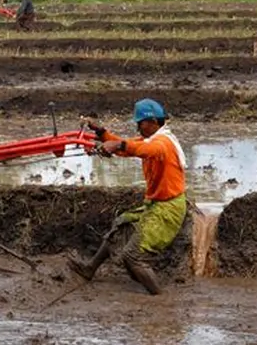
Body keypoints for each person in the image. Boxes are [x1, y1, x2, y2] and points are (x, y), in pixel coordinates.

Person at [69, 98, 189, 294]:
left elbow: (143, 149)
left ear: (151, 122)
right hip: (154, 204)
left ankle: (160, 299)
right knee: (121, 224)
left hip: (169, 209)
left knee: (133, 256)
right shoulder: (150, 139)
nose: (137, 128)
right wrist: (100, 133)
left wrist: (117, 146)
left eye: (139, 123)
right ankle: (89, 269)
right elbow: (128, 146)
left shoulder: (163, 143)